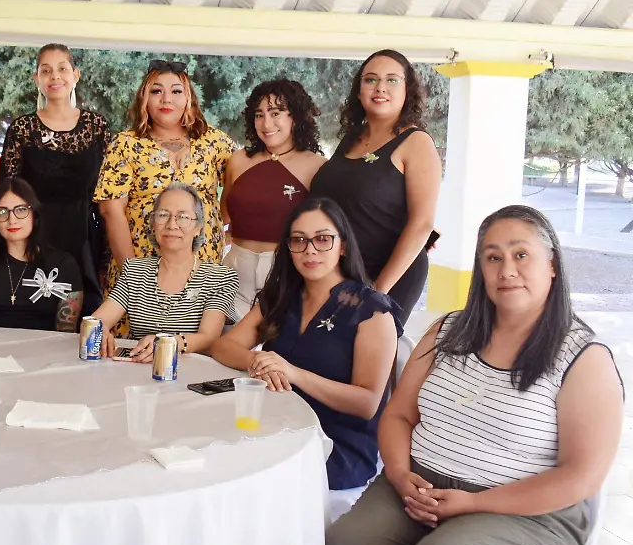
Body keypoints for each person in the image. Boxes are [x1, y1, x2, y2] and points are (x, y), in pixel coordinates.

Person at [325, 205, 624, 545]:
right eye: (492, 257)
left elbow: (579, 478)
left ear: (552, 265)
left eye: (521, 254)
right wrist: (402, 476)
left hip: (525, 513)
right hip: (418, 487)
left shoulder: (583, 357)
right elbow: (399, 415)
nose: (507, 270)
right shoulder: (447, 330)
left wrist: (473, 504)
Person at [210, 197, 401, 490]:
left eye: (323, 239)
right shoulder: (282, 296)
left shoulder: (370, 310)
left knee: (232, 472)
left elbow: (366, 403)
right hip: (274, 425)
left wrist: (293, 372)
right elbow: (222, 347)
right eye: (298, 240)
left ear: (343, 246)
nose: (310, 250)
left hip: (333, 446)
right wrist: (257, 361)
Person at [95, 59, 234, 334]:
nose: (166, 99)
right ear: (144, 98)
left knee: (194, 348)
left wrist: (218, 228)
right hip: (138, 260)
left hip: (199, 263)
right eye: (156, 91)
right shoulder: (126, 144)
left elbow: (235, 194)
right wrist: (131, 275)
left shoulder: (215, 142)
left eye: (176, 91)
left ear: (189, 98)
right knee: (132, 351)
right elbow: (111, 211)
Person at [309, 49, 442, 324]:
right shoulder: (351, 140)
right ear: (359, 92)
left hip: (391, 274)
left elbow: (422, 224)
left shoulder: (416, 143)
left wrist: (377, 290)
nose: (380, 87)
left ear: (408, 91)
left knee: (371, 353)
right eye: (371, 79)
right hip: (343, 270)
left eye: (392, 80)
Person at [0, 44, 110, 314]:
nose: (55, 76)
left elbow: (108, 192)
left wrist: (107, 253)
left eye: (62, 69)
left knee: (82, 321)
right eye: (46, 70)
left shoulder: (97, 127)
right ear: (36, 79)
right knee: (35, 317)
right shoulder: (22, 129)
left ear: (76, 75)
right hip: (34, 238)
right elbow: (7, 190)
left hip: (84, 239)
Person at [90, 183, 237, 362]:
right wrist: (99, 329)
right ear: (153, 224)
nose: (171, 224)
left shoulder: (220, 277)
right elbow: (97, 320)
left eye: (183, 217)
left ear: (198, 227)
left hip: (192, 372)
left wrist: (166, 344)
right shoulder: (135, 270)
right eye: (163, 215)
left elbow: (209, 337)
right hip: (138, 371)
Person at [222, 79, 325, 320]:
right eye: (259, 115)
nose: (266, 123)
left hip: (286, 273)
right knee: (223, 349)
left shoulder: (318, 167)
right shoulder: (238, 160)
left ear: (295, 117)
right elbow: (224, 215)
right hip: (234, 270)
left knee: (274, 352)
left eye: (276, 113)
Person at [0, 178, 84, 332]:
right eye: (2, 212)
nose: (12, 220)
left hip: (44, 353)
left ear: (34, 214)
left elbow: (65, 335)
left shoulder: (63, 265)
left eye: (21, 210)